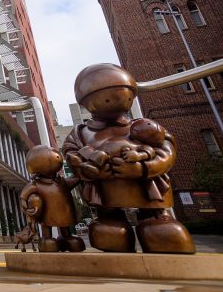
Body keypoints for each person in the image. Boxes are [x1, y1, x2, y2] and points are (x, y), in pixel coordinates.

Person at [62, 63, 195, 254]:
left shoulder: (145, 127)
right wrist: (88, 170)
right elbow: (71, 156)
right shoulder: (80, 133)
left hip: (147, 189)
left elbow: (166, 151)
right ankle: (110, 224)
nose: (112, 100)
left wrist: (143, 169)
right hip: (105, 191)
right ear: (85, 102)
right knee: (110, 230)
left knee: (161, 231)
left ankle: (156, 219)